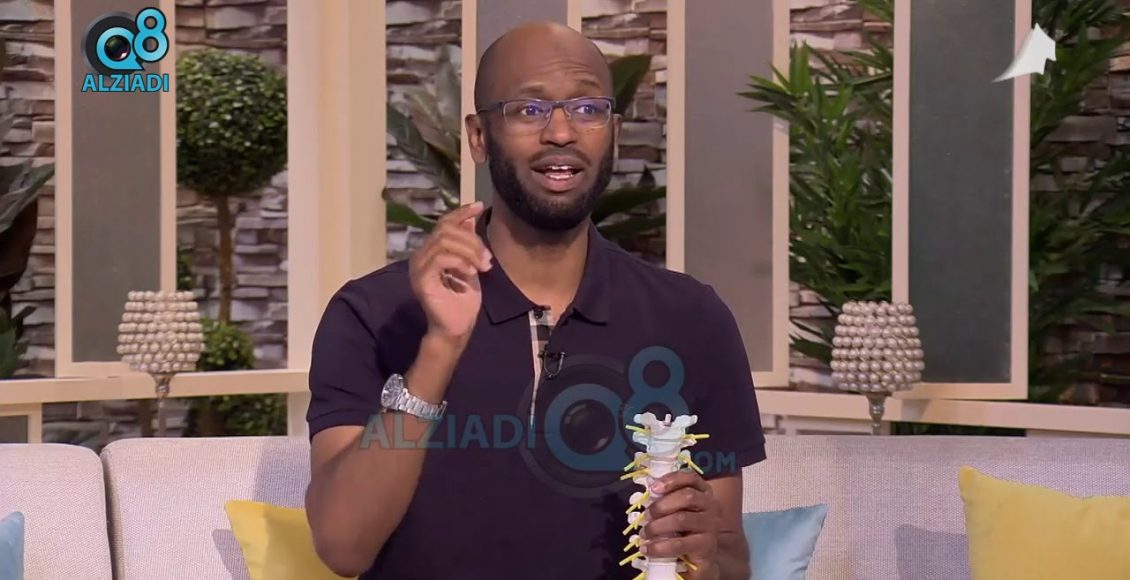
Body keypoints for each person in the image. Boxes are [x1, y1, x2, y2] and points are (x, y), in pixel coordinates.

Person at [304, 21, 766, 580]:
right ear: (479, 137)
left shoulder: (692, 319)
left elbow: (731, 560)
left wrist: (704, 558)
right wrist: (440, 348)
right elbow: (343, 547)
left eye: (588, 109)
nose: (562, 132)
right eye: (529, 109)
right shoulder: (373, 314)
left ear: (614, 133)